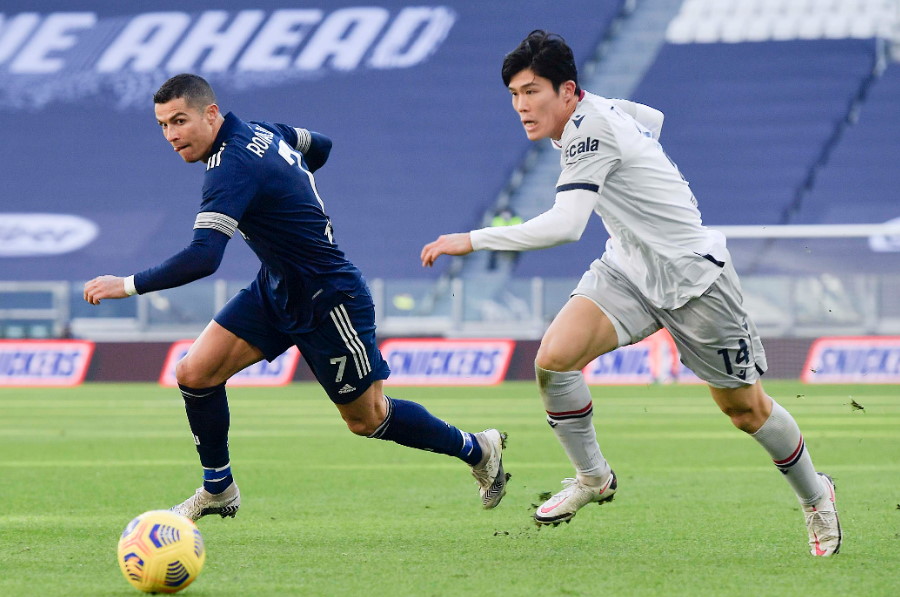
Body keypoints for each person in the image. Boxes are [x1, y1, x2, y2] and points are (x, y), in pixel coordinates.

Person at [420, 30, 841, 556]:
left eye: (532, 92)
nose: (521, 106)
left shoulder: (588, 131)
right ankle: (594, 478)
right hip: (628, 268)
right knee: (554, 361)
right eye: (513, 94)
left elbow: (567, 226)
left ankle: (816, 494)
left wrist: (473, 239)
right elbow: (653, 119)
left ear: (568, 90)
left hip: (693, 280)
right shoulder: (599, 111)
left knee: (745, 410)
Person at [83, 73, 509, 520]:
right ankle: (218, 488)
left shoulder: (231, 168)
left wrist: (127, 284)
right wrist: (287, 190)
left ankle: (477, 449)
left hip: (329, 299)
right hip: (278, 285)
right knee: (195, 372)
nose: (171, 135)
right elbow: (320, 145)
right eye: (163, 125)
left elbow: (204, 257)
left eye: (179, 121)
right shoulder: (266, 131)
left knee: (367, 419)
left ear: (211, 114)